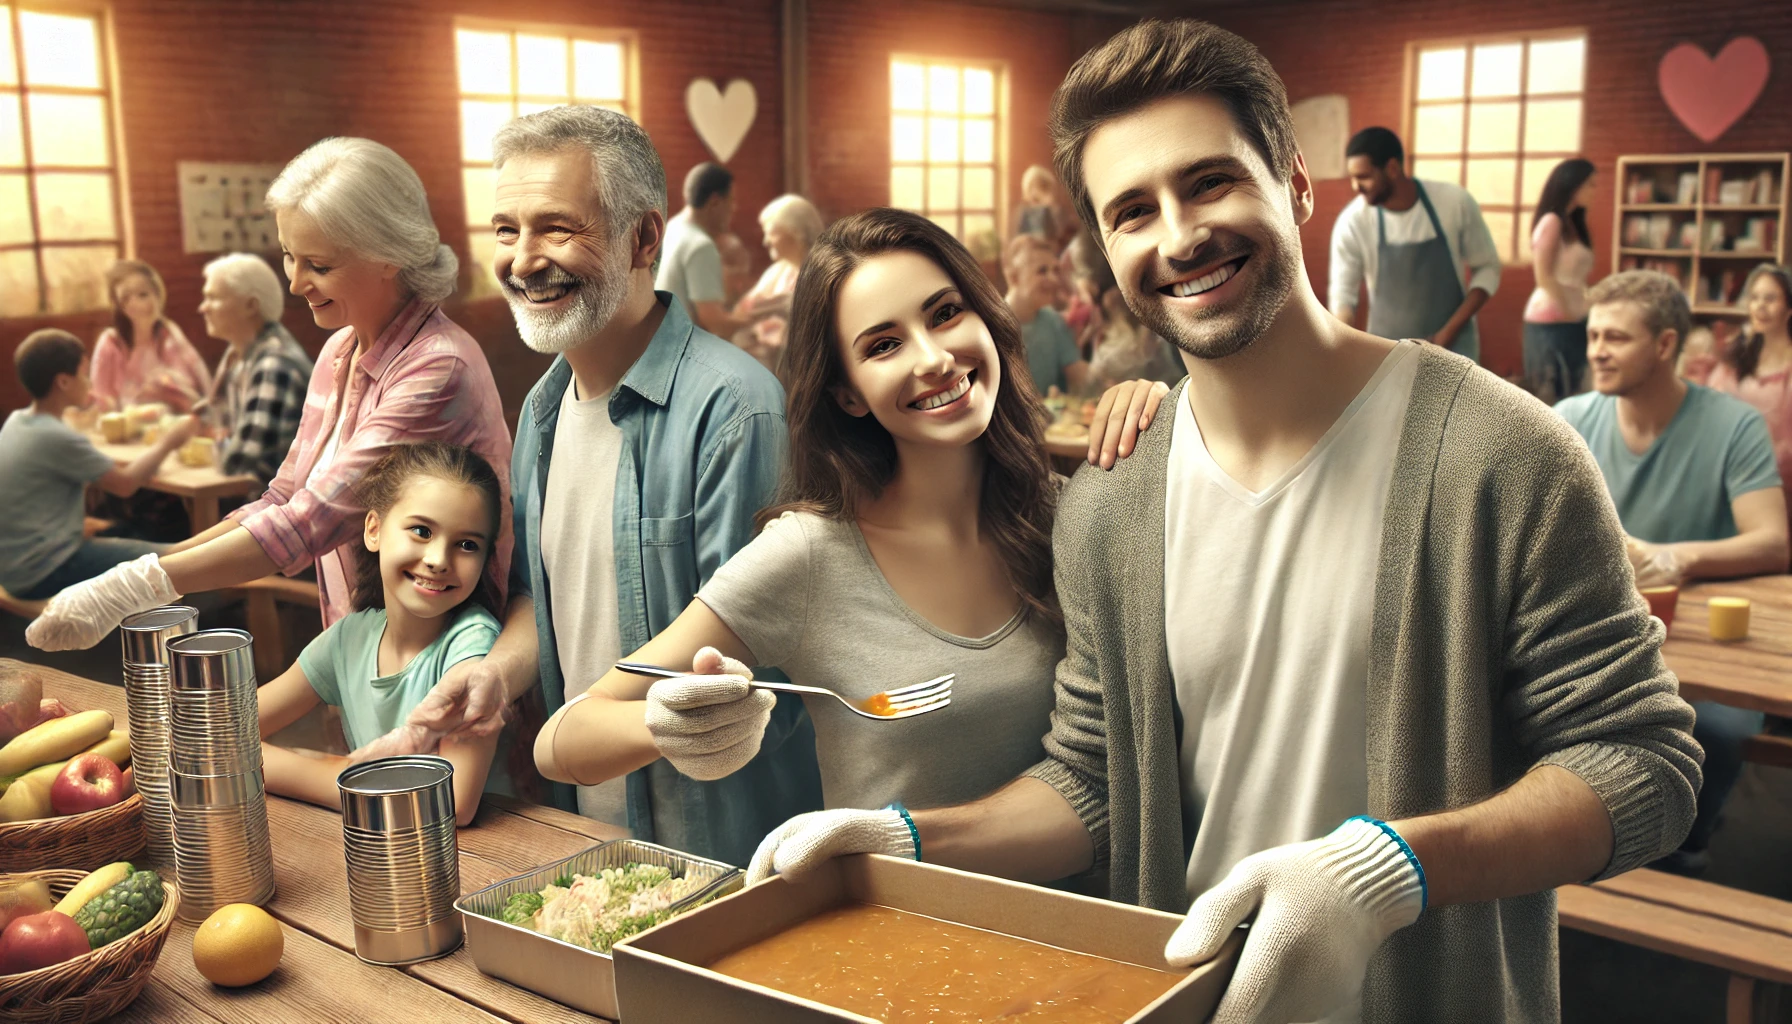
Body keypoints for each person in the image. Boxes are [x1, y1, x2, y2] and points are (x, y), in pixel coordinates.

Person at [744, 20, 1700, 1024]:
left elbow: (1645, 764)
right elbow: (1093, 779)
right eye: (1132, 211)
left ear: (1294, 181)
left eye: (1208, 183)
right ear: (1105, 247)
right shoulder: (1112, 503)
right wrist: (903, 837)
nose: (1179, 235)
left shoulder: (1500, 453)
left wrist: (1388, 870)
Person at [534, 208, 1066, 825]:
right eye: (884, 345)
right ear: (848, 395)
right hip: (889, 918)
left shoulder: (1068, 515)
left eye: (946, 313)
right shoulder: (810, 556)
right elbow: (560, 742)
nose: (934, 359)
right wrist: (666, 722)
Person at [396, 105, 821, 867]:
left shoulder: (734, 411)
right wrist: (495, 670)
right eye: (505, 229)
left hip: (719, 844)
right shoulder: (543, 410)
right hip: (590, 834)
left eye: (557, 228)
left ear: (644, 238)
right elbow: (537, 594)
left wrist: (582, 737)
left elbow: (756, 664)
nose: (524, 259)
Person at [26, 137, 513, 649]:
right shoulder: (337, 353)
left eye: (319, 265)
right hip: (360, 634)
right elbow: (283, 497)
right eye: (288, 256)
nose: (297, 283)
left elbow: (311, 520)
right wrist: (145, 568)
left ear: (388, 256)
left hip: (443, 645)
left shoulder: (439, 366)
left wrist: (138, 588)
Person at [1556, 270, 1786, 877]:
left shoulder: (1733, 424)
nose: (1596, 351)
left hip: (1701, 639)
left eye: (1616, 338)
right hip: (1593, 635)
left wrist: (1677, 556)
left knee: (1716, 724)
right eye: (1592, 335)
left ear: (1664, 345)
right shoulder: (1568, 418)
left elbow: (1774, 540)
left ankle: (1683, 851)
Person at [258, 443, 505, 825]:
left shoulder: (474, 642)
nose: (439, 559)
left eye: (467, 545)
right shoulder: (349, 637)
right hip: (375, 844)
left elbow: (452, 802)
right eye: (421, 531)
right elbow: (229, 728)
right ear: (374, 530)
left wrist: (267, 765)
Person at [0, 330, 196, 600]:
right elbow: (126, 485)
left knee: (135, 539)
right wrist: (169, 442)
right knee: (174, 557)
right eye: (83, 373)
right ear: (64, 382)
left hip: (13, 568)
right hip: (46, 570)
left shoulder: (18, 422)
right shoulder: (57, 436)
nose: (89, 382)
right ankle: (211, 612)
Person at [1329, 127, 1502, 363]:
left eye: (1364, 177)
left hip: (1455, 350)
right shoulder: (1353, 222)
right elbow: (1343, 296)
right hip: (1388, 357)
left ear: (1392, 168)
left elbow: (1488, 268)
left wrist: (1446, 334)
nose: (1356, 187)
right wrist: (1341, 349)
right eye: (1352, 178)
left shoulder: (1453, 203)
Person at [195, 253, 313, 485]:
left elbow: (242, 466)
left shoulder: (274, 363)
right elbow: (219, 424)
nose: (203, 308)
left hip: (276, 510)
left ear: (251, 306)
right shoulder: (238, 356)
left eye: (213, 298)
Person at [1707, 264, 1792, 527]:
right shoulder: (1736, 354)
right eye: (1754, 298)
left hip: (1780, 482)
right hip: (1728, 474)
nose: (1760, 307)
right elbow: (1712, 408)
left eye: (1770, 298)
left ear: (1789, 307)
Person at [90, 259, 211, 414]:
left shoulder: (170, 334)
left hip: (174, 425)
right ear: (120, 307)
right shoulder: (110, 343)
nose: (137, 304)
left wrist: (167, 386)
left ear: (158, 293)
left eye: (143, 294)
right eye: (126, 298)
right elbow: (101, 401)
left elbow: (199, 389)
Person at [1524, 159, 1599, 403]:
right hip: (1552, 322)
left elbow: (1576, 280)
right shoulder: (1552, 222)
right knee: (1552, 399)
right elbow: (1544, 276)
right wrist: (1567, 311)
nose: (1593, 191)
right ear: (1572, 185)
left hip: (1576, 319)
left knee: (1576, 393)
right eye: (1590, 184)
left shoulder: (1574, 224)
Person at [730, 194, 825, 372]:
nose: (766, 241)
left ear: (796, 232)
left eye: (772, 233)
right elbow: (742, 311)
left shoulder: (822, 273)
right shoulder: (777, 272)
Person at [656, 161, 746, 340]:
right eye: (731, 201)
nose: (733, 208)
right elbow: (714, 324)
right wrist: (755, 321)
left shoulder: (672, 228)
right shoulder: (700, 245)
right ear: (714, 202)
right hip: (682, 351)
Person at [1005, 234, 1088, 395]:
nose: (1053, 279)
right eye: (1042, 271)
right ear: (1013, 277)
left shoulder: (1053, 320)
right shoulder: (991, 325)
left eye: (1054, 270)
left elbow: (1077, 373)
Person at [1015, 164, 1070, 245]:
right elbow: (1021, 237)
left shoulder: (1058, 212)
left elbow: (1059, 238)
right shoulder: (1024, 212)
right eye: (1031, 188)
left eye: (1042, 187)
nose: (1034, 192)